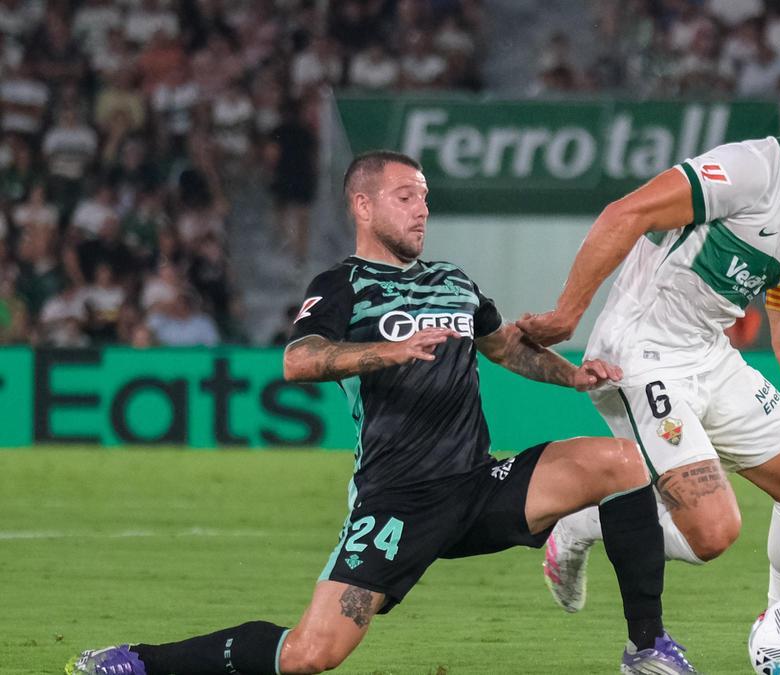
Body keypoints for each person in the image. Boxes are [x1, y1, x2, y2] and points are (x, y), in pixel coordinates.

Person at [67, 151, 698, 675]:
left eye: (424, 196)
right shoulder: (342, 285)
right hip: (397, 502)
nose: (422, 207)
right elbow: (299, 359)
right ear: (363, 206)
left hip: (478, 485)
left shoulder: (453, 280)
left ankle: (646, 649)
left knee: (619, 462)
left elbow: (506, 346)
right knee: (311, 655)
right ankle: (139, 662)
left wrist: (574, 375)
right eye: (404, 196)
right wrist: (384, 351)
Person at [518, 72, 780, 619]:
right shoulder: (747, 169)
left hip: (710, 356)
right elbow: (625, 214)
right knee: (713, 533)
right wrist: (567, 315)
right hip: (639, 355)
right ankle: (579, 523)